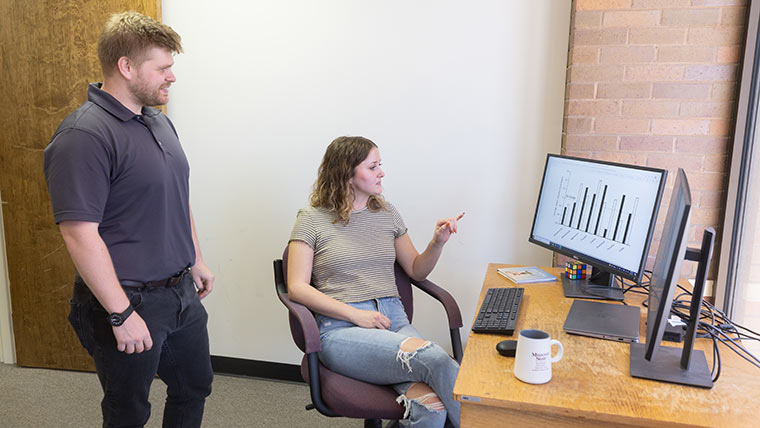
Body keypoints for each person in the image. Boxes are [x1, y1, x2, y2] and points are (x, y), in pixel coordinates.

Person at [43, 11, 214, 428]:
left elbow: (176, 196)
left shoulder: (159, 122)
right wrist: (121, 314)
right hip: (126, 300)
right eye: (163, 67)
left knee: (194, 388)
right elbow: (79, 235)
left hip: (180, 293)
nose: (171, 77)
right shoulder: (84, 135)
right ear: (126, 67)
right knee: (128, 411)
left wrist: (195, 258)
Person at [288, 136, 463, 428]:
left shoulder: (387, 213)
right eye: (372, 166)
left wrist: (437, 242)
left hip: (394, 321)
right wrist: (357, 315)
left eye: (380, 165)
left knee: (431, 409)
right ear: (347, 174)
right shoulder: (311, 219)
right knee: (434, 357)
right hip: (341, 329)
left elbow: (416, 271)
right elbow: (297, 286)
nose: (381, 172)